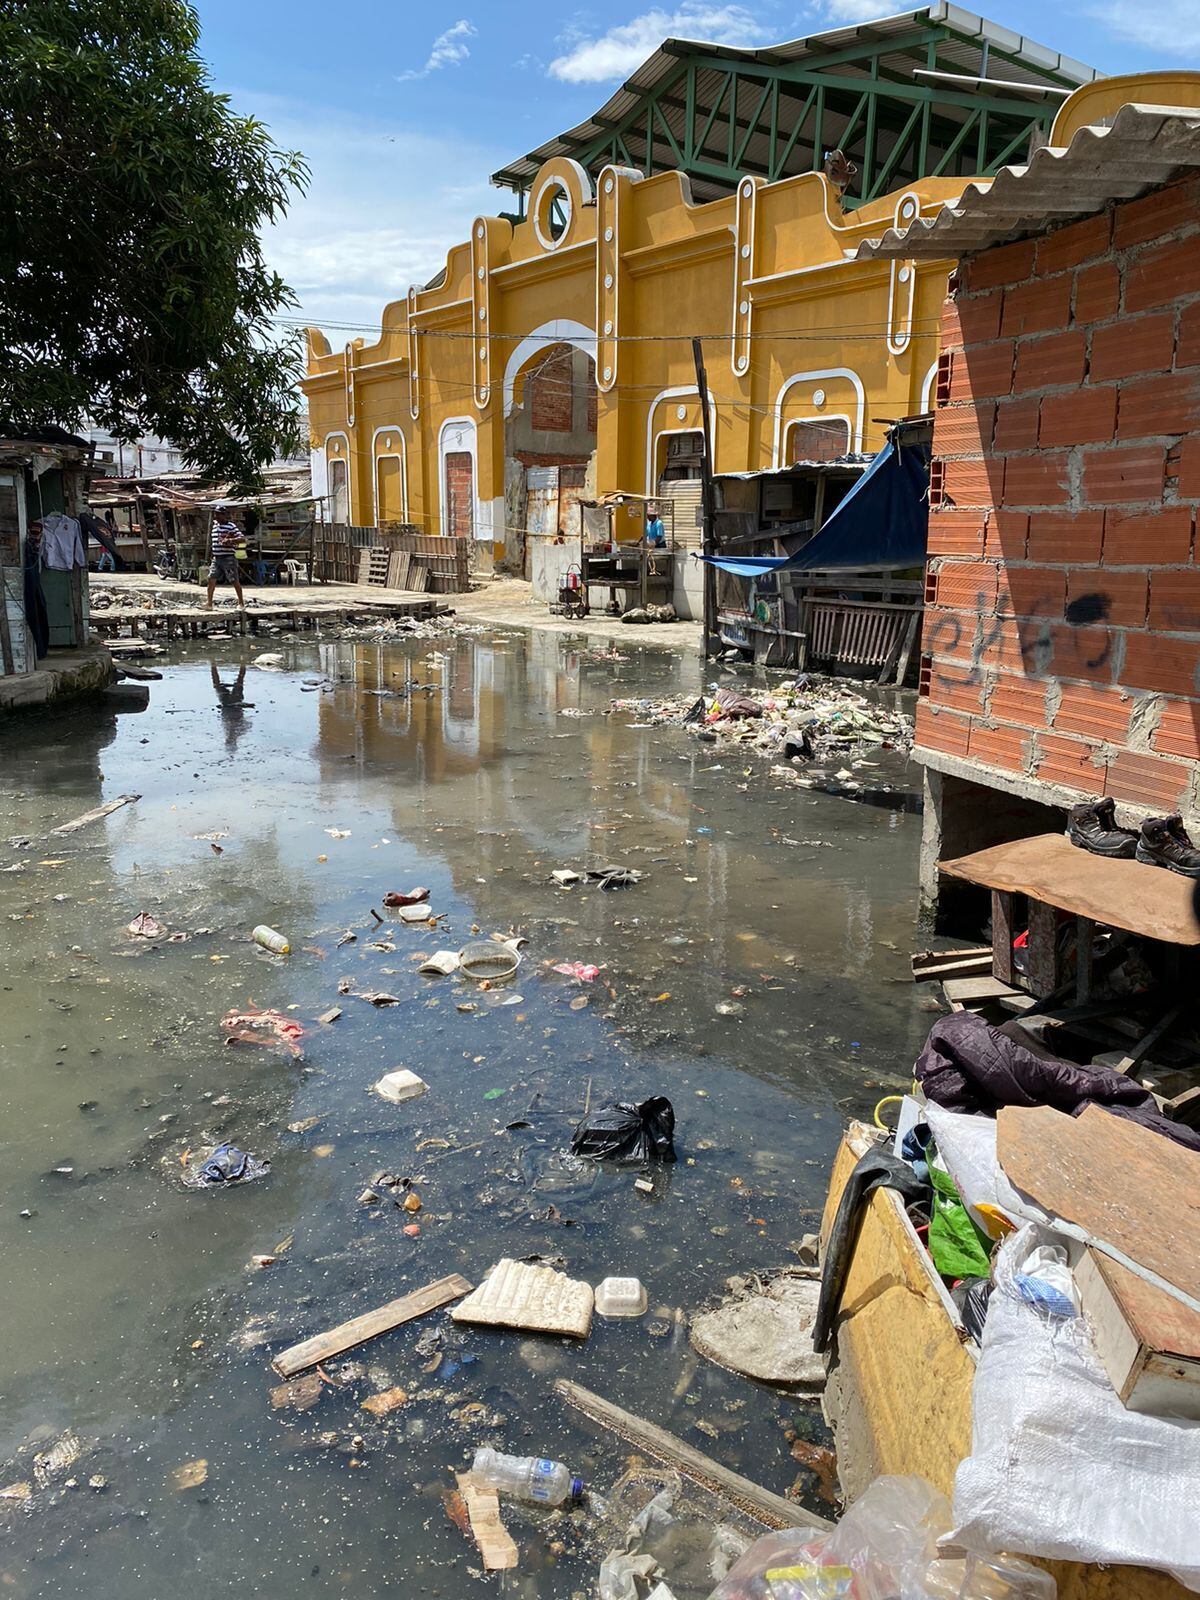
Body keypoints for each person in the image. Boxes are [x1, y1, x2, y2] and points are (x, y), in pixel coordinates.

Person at [205, 507, 244, 610]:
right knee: (211, 579)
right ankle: (209, 604)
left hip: (228, 558)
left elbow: (242, 538)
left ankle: (241, 603)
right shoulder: (215, 526)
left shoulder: (231, 526)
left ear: (223, 515)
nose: (216, 516)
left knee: (234, 580)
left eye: (218, 514)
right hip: (216, 558)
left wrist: (230, 540)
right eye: (215, 514)